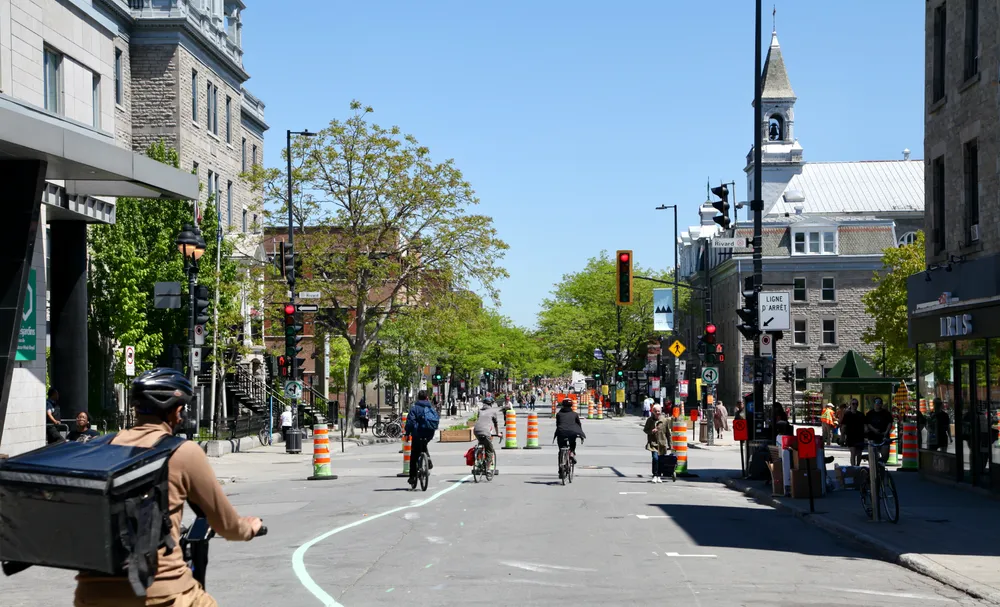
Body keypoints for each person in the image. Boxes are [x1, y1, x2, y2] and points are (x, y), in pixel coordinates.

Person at [73, 368, 263, 607]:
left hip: (92, 595)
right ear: (177, 411)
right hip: (161, 594)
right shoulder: (183, 453)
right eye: (182, 410)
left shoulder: (98, 447)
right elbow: (227, 526)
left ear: (136, 408)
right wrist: (249, 528)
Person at [405, 390, 440, 490]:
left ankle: (412, 477)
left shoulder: (414, 408)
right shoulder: (430, 407)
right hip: (429, 433)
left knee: (414, 455)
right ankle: (427, 459)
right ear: (427, 398)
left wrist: (407, 433)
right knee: (424, 444)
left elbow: (410, 422)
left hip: (418, 433)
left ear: (418, 398)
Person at [643, 404, 672, 482]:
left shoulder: (664, 421)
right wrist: (651, 431)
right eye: (655, 411)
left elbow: (668, 434)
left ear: (661, 411)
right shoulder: (649, 420)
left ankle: (659, 475)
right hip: (653, 443)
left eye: (658, 411)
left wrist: (670, 445)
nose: (657, 412)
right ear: (653, 411)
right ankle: (655, 475)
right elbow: (645, 430)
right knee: (655, 458)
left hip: (662, 444)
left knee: (661, 460)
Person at [473, 398, 501, 468]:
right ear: (491, 404)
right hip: (485, 432)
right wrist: (498, 433)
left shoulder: (480, 411)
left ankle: (479, 458)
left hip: (476, 430)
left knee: (481, 442)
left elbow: (479, 421)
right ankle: (487, 468)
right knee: (490, 450)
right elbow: (495, 424)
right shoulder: (493, 411)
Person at [864, 396, 894, 463]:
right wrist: (874, 430)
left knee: (885, 455)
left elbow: (890, 423)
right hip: (873, 437)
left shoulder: (886, 413)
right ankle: (874, 469)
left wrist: (886, 431)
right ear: (874, 404)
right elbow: (867, 423)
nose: (878, 404)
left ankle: (881, 466)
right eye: (877, 402)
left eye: (880, 403)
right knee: (873, 455)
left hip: (884, 436)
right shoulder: (869, 414)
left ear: (881, 404)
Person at [842, 399, 866, 466]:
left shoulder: (861, 415)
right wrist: (842, 437)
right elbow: (843, 426)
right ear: (850, 405)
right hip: (850, 436)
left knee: (859, 453)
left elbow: (865, 425)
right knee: (853, 452)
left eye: (856, 404)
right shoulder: (847, 414)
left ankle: (857, 466)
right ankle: (853, 467)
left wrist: (866, 434)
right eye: (853, 404)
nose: (855, 405)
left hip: (860, 436)